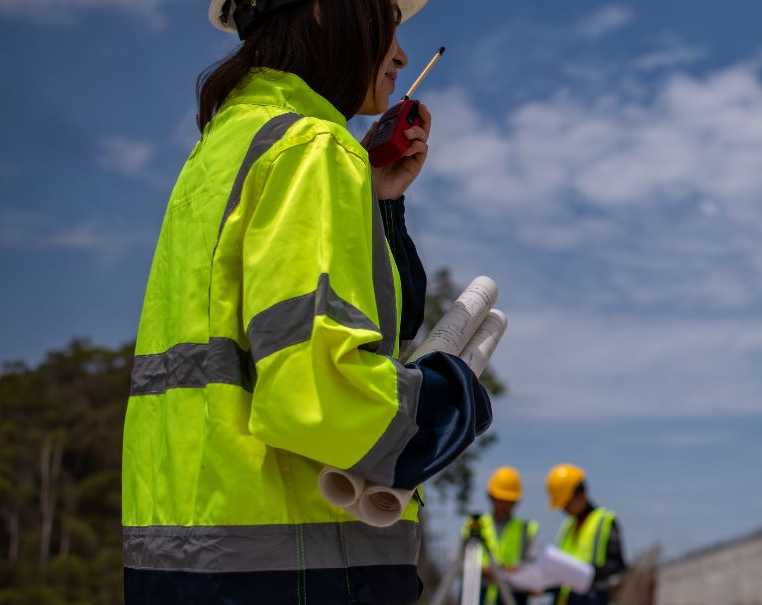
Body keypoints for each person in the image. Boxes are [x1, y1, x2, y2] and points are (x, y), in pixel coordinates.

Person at [122, 1, 492, 603]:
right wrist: (449, 405)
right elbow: (314, 391)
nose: (400, 53)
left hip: (187, 570)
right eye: (390, 21)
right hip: (301, 574)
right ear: (325, 10)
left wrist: (374, 204)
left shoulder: (220, 152)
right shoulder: (310, 148)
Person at [544, 464, 625, 605]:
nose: (564, 509)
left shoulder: (604, 521)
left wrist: (587, 573)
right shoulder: (567, 527)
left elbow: (616, 564)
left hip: (594, 598)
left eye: (567, 503)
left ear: (580, 494)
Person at [463, 466, 540, 605]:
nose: (505, 505)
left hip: (513, 597)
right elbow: (458, 562)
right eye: (500, 499)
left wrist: (512, 572)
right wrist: (488, 571)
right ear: (491, 497)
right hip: (477, 596)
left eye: (509, 501)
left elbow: (534, 566)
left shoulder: (527, 529)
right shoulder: (475, 524)